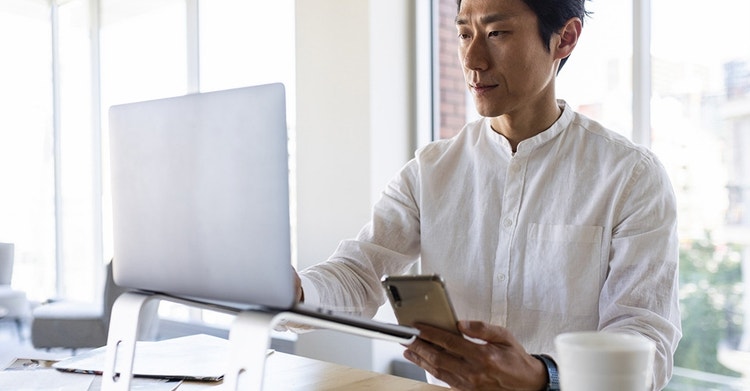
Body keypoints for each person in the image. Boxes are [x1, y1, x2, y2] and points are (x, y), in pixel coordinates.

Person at [293, 0, 682, 389]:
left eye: (497, 34)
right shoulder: (430, 170)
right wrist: (293, 289)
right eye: (465, 34)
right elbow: (358, 274)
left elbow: (647, 345)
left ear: (565, 38)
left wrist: (541, 378)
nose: (473, 59)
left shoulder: (631, 177)